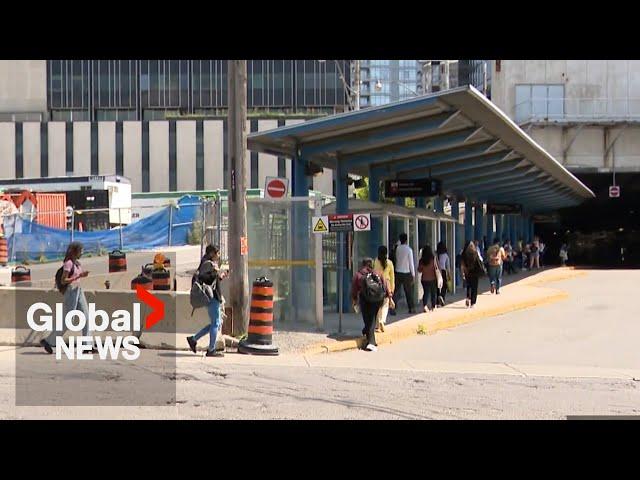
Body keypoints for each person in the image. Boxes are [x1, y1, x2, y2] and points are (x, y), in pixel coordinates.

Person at [41, 241, 94, 354]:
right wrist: (79, 276)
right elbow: (63, 280)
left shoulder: (77, 263)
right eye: (81, 250)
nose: (82, 253)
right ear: (75, 251)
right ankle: (48, 341)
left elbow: (77, 276)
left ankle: (87, 346)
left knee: (87, 317)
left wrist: (81, 275)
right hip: (71, 292)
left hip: (78, 290)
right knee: (69, 320)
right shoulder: (68, 264)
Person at [186, 245, 228, 357]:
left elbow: (211, 279)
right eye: (217, 253)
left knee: (215, 323)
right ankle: (211, 350)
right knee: (215, 324)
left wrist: (220, 276)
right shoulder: (207, 264)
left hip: (212, 297)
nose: (218, 256)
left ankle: (194, 339)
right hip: (212, 297)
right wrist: (217, 274)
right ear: (211, 253)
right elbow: (206, 279)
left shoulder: (207, 263)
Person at [351, 258, 390, 352]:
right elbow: (385, 285)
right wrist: (389, 297)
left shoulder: (358, 275)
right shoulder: (377, 273)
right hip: (378, 300)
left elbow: (354, 289)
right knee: (371, 319)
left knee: (369, 320)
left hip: (365, 300)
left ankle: (371, 343)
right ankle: (367, 334)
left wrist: (355, 300)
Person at [391, 233, 416, 315]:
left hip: (398, 272)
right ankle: (411, 308)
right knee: (408, 292)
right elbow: (411, 263)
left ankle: (393, 308)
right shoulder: (409, 250)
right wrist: (413, 274)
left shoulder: (397, 249)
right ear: (406, 240)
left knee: (395, 292)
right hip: (406, 272)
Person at [373, 246, 394, 332]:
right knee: (385, 305)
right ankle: (382, 321)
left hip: (377, 285)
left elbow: (374, 272)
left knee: (378, 305)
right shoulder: (389, 263)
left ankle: (378, 325)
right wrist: (392, 288)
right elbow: (392, 277)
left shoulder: (376, 261)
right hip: (386, 285)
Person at [460, 241, 485, 309]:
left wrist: (463, 273)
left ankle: (468, 298)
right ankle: (473, 303)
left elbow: (462, 264)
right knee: (474, 288)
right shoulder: (475, 253)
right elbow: (480, 261)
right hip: (475, 273)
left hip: (467, 272)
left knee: (469, 286)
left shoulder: (463, 254)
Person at [418, 245, 439, 312]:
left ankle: (425, 306)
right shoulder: (433, 259)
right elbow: (437, 267)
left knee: (426, 293)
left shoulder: (422, 260)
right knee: (433, 293)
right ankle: (433, 306)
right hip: (433, 278)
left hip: (424, 279)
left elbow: (419, 270)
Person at [436, 241, 450, 306]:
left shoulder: (436, 255)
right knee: (444, 285)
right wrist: (449, 275)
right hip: (443, 271)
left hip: (436, 272)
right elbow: (448, 266)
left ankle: (437, 301)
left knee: (438, 286)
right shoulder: (445, 255)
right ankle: (442, 297)